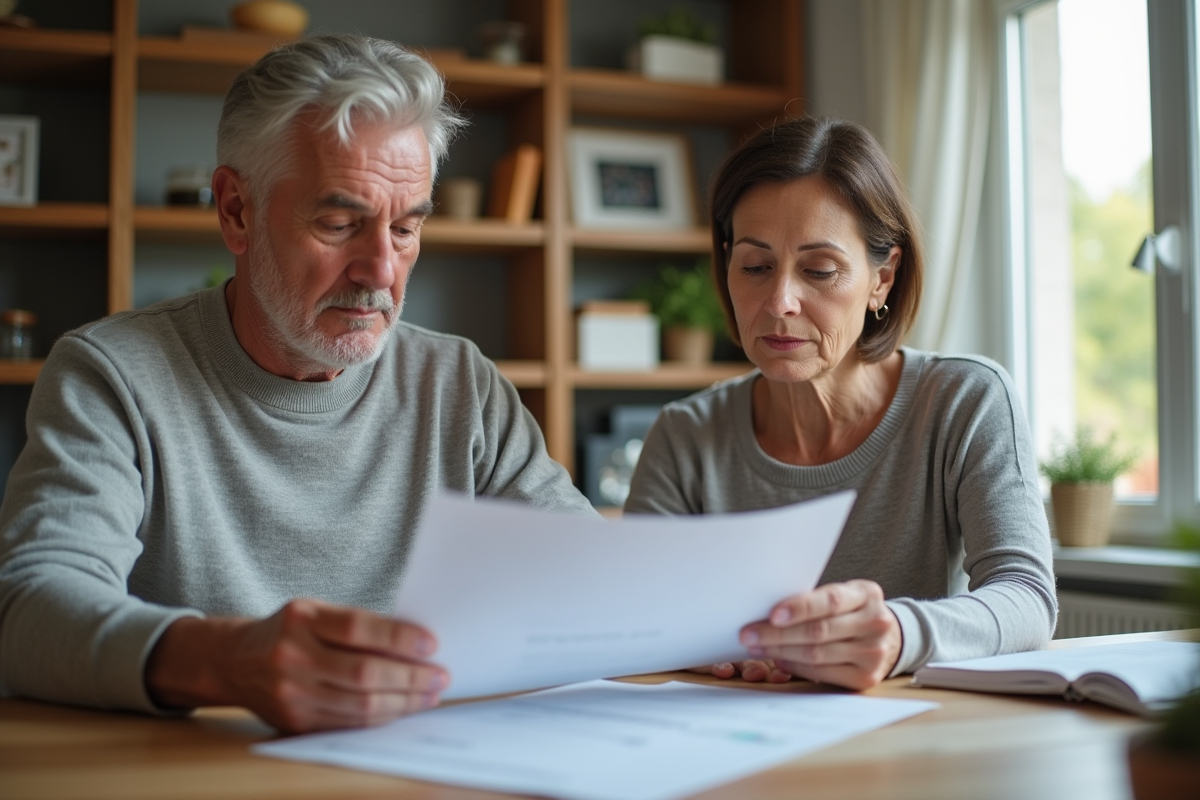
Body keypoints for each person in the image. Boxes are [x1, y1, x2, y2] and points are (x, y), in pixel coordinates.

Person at [0, 34, 596, 734]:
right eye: (340, 222)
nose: (380, 270)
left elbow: (589, 577)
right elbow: (29, 609)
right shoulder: (112, 375)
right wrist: (228, 660)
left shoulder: (459, 382)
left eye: (405, 229)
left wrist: (740, 632)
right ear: (236, 211)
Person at [625, 116, 1057, 690]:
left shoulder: (965, 401)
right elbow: (630, 610)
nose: (780, 302)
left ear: (883, 278)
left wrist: (899, 632)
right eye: (755, 267)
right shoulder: (685, 435)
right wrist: (687, 638)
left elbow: (1026, 599)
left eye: (820, 271)